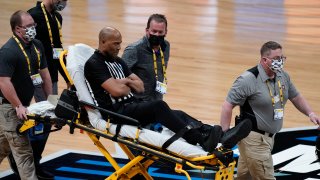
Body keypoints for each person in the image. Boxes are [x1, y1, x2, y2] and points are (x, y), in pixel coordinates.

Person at [84, 27, 251, 153]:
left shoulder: (118, 61)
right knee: (159, 106)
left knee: (175, 113)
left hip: (131, 106)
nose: (119, 47)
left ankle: (216, 134)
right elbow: (117, 92)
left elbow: (140, 86)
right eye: (115, 44)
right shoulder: (94, 63)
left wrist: (122, 81)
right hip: (115, 113)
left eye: (120, 43)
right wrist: (127, 83)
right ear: (103, 41)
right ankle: (199, 139)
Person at [220, 41, 320, 179]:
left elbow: (296, 97)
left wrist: (311, 113)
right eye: (276, 59)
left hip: (268, 139)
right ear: (264, 60)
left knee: (245, 177)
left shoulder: (282, 76)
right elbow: (227, 105)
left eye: (282, 58)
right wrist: (225, 135)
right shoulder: (248, 79)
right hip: (253, 140)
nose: (280, 62)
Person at [7, 1, 69, 179]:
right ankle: (27, 160)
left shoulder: (57, 17)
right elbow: (25, 47)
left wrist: (67, 78)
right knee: (44, 119)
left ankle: (34, 160)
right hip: (37, 78)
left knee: (48, 120)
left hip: (51, 77)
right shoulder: (33, 15)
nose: (63, 2)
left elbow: (58, 50)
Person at [0, 10, 52, 180]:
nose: (32, 29)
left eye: (33, 25)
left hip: (23, 104)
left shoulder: (37, 45)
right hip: (8, 106)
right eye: (28, 26)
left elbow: (45, 75)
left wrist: (50, 101)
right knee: (24, 152)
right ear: (17, 29)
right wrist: (18, 105)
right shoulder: (8, 51)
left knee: (3, 146)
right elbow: (3, 82)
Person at [122, 13, 169, 102]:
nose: (157, 35)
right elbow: (120, 74)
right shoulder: (134, 49)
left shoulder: (166, 46)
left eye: (160, 32)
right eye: (154, 31)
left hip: (157, 99)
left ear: (166, 32)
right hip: (138, 101)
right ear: (147, 31)